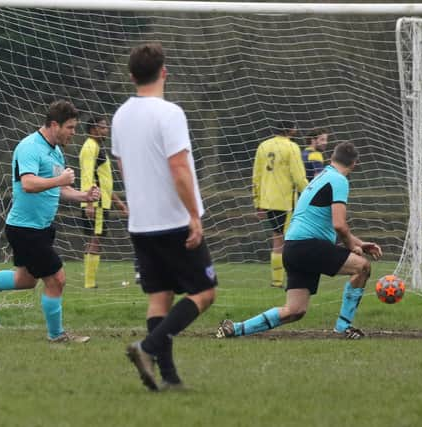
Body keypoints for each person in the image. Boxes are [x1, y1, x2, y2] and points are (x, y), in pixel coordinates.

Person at [0, 100, 100, 343]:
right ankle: (57, 335)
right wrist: (60, 180)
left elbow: (57, 189)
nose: (73, 132)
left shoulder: (55, 151)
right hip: (26, 230)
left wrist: (83, 195)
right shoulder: (29, 147)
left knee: (25, 280)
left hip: (41, 228)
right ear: (54, 125)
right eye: (70, 127)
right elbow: (28, 184)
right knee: (57, 279)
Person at [112, 42, 217, 391]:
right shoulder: (170, 113)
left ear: (131, 76)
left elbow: (123, 166)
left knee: (160, 297)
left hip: (140, 223)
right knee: (204, 292)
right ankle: (148, 348)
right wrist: (193, 215)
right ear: (164, 72)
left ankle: (169, 378)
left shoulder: (120, 115)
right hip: (172, 220)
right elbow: (179, 169)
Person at [217, 142, 382, 340]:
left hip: (293, 248)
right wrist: (351, 246)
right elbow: (339, 225)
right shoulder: (339, 180)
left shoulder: (321, 177)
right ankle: (343, 328)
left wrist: (359, 243)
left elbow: (327, 223)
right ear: (354, 164)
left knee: (295, 310)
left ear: (331, 159)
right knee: (362, 267)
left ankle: (236, 328)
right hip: (308, 245)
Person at [252, 121, 309, 288]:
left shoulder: (263, 146)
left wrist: (257, 202)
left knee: (278, 239)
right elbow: (298, 177)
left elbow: (256, 175)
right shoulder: (291, 147)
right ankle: (289, 279)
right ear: (291, 130)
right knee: (290, 241)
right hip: (286, 202)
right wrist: (311, 193)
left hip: (267, 200)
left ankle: (277, 281)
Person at [79, 115, 129, 289]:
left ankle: (90, 282)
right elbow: (87, 176)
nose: (106, 130)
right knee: (95, 239)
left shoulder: (98, 148)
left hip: (102, 202)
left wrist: (118, 203)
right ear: (93, 129)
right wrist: (90, 202)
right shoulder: (90, 147)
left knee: (96, 238)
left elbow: (105, 182)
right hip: (96, 202)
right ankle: (89, 283)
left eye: (106, 127)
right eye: (102, 127)